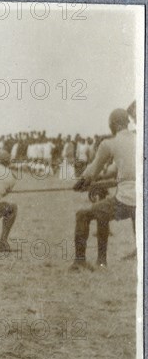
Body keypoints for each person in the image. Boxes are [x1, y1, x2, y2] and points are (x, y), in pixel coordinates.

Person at [71, 108, 136, 270]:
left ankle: (81, 262)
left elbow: (92, 170)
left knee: (83, 215)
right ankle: (102, 261)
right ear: (127, 123)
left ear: (113, 125)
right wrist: (99, 179)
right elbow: (114, 169)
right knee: (104, 210)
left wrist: (81, 183)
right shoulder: (139, 139)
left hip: (127, 200)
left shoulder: (110, 143)